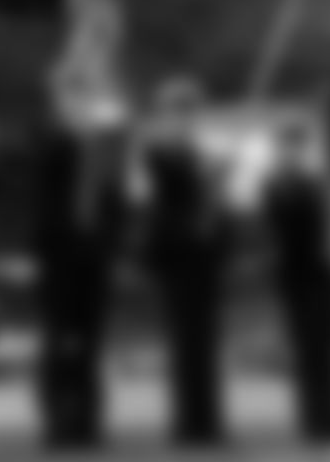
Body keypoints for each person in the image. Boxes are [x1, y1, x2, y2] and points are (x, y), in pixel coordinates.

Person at [31, 65, 130, 450]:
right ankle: (57, 418)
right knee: (58, 339)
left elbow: (115, 201)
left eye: (83, 94)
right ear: (57, 100)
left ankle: (88, 419)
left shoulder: (103, 144)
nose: (76, 101)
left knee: (90, 340)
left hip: (94, 257)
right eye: (69, 94)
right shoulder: (46, 138)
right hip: (58, 257)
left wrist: (112, 244)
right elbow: (40, 196)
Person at [136, 79, 229, 447]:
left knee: (204, 339)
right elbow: (170, 189)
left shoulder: (197, 152)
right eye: (177, 109)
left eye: (190, 110)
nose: (185, 116)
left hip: (205, 254)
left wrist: (219, 179)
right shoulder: (159, 150)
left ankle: (207, 420)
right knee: (185, 338)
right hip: (177, 252)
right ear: (164, 113)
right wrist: (208, 175)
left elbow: (211, 204)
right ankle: (188, 422)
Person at [260, 114, 330, 444]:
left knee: (327, 349)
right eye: (286, 145)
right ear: (279, 149)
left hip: (325, 273)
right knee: (305, 351)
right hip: (294, 276)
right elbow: (277, 223)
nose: (292, 151)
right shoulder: (275, 185)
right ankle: (313, 423)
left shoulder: (321, 184)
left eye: (297, 145)